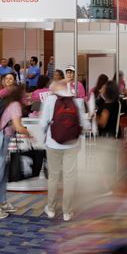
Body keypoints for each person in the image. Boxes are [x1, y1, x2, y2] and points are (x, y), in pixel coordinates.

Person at [0, 86, 31, 220]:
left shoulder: (8, 103)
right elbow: (17, 126)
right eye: (25, 95)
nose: (27, 97)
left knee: (2, 173)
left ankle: (2, 202)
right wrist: (28, 133)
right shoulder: (15, 105)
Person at [40, 80, 81, 222]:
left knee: (53, 176)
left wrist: (45, 133)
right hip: (71, 144)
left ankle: (51, 209)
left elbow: (43, 122)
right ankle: (67, 212)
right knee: (69, 178)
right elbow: (81, 122)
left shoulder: (50, 100)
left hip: (53, 143)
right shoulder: (74, 100)